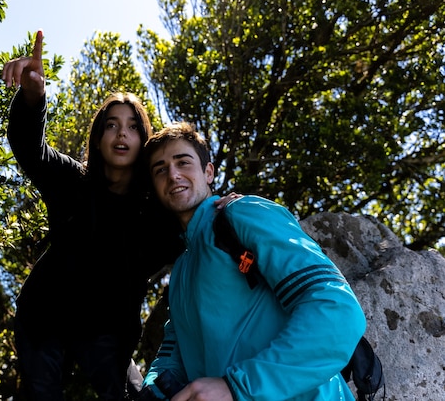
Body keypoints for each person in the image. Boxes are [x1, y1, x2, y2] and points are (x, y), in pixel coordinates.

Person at [1, 31, 237, 401]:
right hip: (44, 319)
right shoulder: (72, 182)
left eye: (132, 126)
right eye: (111, 124)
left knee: (133, 397)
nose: (121, 134)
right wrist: (33, 96)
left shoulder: (158, 213)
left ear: (144, 141)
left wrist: (224, 208)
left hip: (108, 335)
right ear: (97, 139)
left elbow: (198, 226)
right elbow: (31, 149)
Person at [138, 121, 367, 401]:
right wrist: (153, 387)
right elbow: (175, 351)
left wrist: (237, 387)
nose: (173, 175)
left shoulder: (241, 214)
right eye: (160, 169)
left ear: (208, 172)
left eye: (183, 162)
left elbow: (336, 308)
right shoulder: (182, 270)